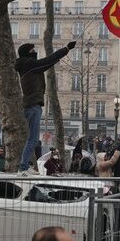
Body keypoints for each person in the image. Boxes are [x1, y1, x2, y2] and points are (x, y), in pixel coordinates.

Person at [15, 41, 76, 175]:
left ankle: (24, 165)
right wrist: (65, 49)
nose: (34, 52)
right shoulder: (29, 64)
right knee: (33, 139)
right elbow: (47, 60)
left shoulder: (27, 65)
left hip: (31, 105)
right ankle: (23, 167)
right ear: (27, 53)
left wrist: (60, 55)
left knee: (32, 139)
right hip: (33, 105)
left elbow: (47, 63)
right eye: (32, 50)